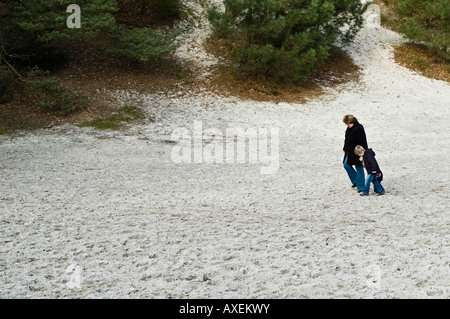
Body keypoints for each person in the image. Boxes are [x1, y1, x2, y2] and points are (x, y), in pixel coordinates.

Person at [342, 115, 368, 192]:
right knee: (346, 165)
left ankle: (361, 186)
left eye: (348, 124)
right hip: (349, 151)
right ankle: (356, 181)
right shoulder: (349, 128)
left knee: (359, 167)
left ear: (352, 122)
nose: (347, 125)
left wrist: (362, 154)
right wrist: (344, 148)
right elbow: (346, 139)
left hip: (358, 152)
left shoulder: (359, 128)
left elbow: (362, 142)